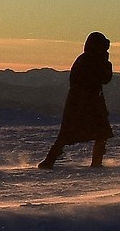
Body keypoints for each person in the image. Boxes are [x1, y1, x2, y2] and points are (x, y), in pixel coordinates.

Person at [39, 32, 114, 169]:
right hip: (88, 103)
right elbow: (104, 78)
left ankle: (50, 160)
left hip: (78, 102)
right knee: (100, 131)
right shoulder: (92, 61)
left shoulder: (83, 59)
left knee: (70, 133)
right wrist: (106, 63)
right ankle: (96, 162)